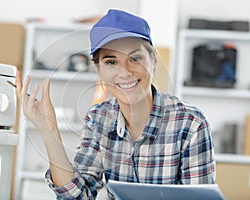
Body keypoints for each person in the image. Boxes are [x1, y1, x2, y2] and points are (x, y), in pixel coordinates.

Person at [16, 9, 216, 200]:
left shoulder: (191, 123)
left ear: (154, 60)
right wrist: (49, 132)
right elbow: (78, 196)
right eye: (111, 62)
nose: (125, 72)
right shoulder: (98, 119)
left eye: (135, 58)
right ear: (99, 70)